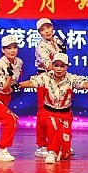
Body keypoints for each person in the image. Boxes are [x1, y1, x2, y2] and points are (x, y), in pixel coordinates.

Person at [15, 52, 88, 164]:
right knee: (53, 128)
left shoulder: (71, 78)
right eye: (56, 65)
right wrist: (19, 85)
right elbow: (33, 82)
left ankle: (61, 150)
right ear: (53, 65)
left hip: (65, 114)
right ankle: (51, 152)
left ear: (66, 67)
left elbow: (83, 84)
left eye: (62, 66)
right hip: (49, 112)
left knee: (65, 153)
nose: (59, 69)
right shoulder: (46, 77)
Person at [33, 17, 67, 158]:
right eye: (42, 29)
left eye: (48, 27)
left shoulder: (58, 41)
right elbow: (48, 65)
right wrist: (59, 65)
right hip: (45, 79)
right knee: (44, 112)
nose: (46, 31)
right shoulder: (41, 46)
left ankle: (60, 143)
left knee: (60, 111)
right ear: (39, 33)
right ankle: (42, 144)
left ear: (52, 27)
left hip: (59, 79)